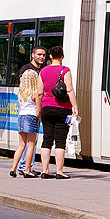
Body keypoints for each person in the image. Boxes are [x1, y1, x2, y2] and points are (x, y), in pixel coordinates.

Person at [37, 46, 78, 179]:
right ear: (62, 56)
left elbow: (39, 92)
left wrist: (40, 108)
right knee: (60, 141)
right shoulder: (65, 70)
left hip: (47, 108)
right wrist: (75, 106)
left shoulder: (42, 71)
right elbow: (70, 90)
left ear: (50, 56)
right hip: (62, 109)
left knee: (47, 139)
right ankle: (59, 171)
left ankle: (45, 170)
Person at [15, 46, 47, 173]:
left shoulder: (42, 71)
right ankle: (25, 167)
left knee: (26, 143)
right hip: (31, 111)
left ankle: (22, 167)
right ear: (32, 55)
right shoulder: (27, 69)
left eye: (43, 55)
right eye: (39, 54)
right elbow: (23, 88)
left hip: (26, 111)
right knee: (30, 143)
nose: (41, 57)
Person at [9, 69, 40, 178]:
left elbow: (20, 107)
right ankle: (27, 170)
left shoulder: (20, 93)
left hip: (21, 117)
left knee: (21, 145)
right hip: (31, 117)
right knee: (31, 145)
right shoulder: (35, 93)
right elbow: (38, 110)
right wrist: (37, 120)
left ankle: (13, 168)